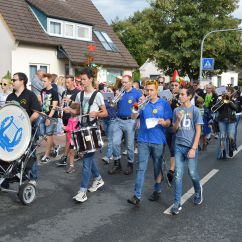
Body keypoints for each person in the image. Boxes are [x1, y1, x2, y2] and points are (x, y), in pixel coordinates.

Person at [64, 67, 108, 203]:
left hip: (92, 131)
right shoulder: (80, 95)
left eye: (84, 79)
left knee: (86, 161)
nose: (81, 82)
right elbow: (78, 112)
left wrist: (97, 114)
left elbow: (105, 113)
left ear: (90, 79)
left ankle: (82, 191)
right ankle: (98, 179)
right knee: (88, 158)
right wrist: (69, 109)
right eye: (80, 79)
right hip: (81, 129)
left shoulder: (98, 95)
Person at [127, 80, 172, 206]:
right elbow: (133, 117)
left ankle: (157, 189)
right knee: (141, 168)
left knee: (157, 167)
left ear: (157, 90)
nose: (149, 92)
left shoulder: (163, 104)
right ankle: (137, 195)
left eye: (152, 90)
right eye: (147, 90)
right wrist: (137, 105)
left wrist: (165, 122)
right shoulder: (143, 103)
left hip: (158, 140)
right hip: (143, 139)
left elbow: (169, 121)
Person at [171, 85, 203, 215]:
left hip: (190, 147)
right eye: (179, 94)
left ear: (189, 96)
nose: (180, 96)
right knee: (178, 175)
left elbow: (198, 130)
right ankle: (177, 203)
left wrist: (194, 148)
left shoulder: (195, 110)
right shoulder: (176, 110)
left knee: (193, 173)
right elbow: (174, 130)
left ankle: (198, 190)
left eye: (183, 94)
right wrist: (178, 120)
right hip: (178, 145)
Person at [6, 72, 41, 186]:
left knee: (30, 154)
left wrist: (25, 124)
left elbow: (36, 113)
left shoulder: (30, 95)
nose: (13, 82)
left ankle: (32, 178)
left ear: (22, 81)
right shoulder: (10, 96)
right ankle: (9, 177)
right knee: (11, 154)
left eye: (14, 80)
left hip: (28, 130)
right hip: (12, 131)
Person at [108, 75, 142, 175]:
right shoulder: (120, 92)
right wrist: (115, 99)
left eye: (126, 82)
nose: (123, 84)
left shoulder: (136, 93)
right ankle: (117, 163)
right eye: (122, 82)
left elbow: (139, 107)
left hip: (130, 120)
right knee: (115, 142)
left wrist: (137, 119)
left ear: (131, 82)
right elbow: (113, 106)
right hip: (118, 120)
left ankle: (130, 164)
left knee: (130, 145)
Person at [56, 75, 80, 167]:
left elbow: (78, 106)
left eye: (68, 82)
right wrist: (60, 107)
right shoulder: (64, 92)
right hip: (65, 117)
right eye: (65, 82)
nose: (66, 84)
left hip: (73, 118)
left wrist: (70, 102)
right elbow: (63, 104)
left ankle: (66, 157)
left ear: (73, 82)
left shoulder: (78, 92)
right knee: (69, 139)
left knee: (70, 140)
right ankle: (73, 155)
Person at [38, 73, 59, 164]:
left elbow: (54, 107)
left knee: (49, 134)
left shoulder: (54, 92)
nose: (43, 83)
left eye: (44, 81)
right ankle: (55, 146)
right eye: (42, 81)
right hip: (43, 115)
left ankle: (46, 156)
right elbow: (42, 104)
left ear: (49, 81)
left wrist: (48, 118)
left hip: (51, 117)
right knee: (43, 134)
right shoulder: (42, 91)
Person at [63, 102, 80, 173]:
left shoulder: (78, 119)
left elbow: (75, 129)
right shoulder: (70, 119)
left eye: (72, 109)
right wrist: (65, 128)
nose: (70, 111)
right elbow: (69, 128)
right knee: (71, 152)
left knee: (72, 152)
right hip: (71, 139)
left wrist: (65, 128)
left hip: (75, 138)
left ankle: (72, 166)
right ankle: (71, 166)